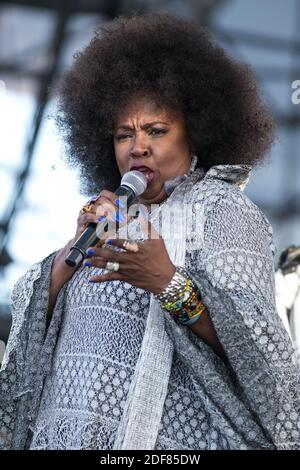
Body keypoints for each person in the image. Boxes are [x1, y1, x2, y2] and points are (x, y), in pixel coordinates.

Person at [1, 12, 300, 451]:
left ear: (195, 134)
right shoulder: (102, 219)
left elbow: (262, 355)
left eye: (156, 131)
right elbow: (28, 338)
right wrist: (69, 255)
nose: (137, 146)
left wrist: (168, 282)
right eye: (124, 134)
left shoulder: (223, 211)